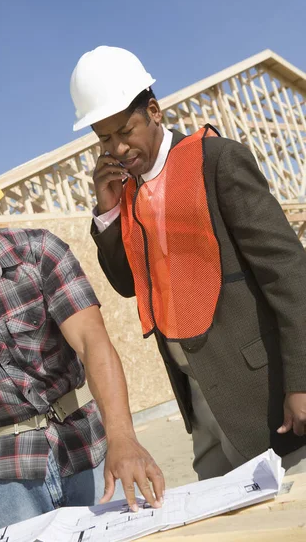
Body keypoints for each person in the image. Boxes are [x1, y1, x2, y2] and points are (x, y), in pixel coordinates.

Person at [0, 138, 164, 539]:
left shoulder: (41, 253)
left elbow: (93, 342)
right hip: (2, 475)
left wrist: (124, 438)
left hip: (85, 450)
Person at [69, 45, 306, 481]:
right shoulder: (126, 193)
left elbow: (289, 273)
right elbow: (127, 284)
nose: (118, 147)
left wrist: (302, 380)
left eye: (126, 130)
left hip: (262, 393)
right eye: (105, 138)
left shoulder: (217, 161)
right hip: (198, 399)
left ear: (155, 111)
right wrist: (107, 213)